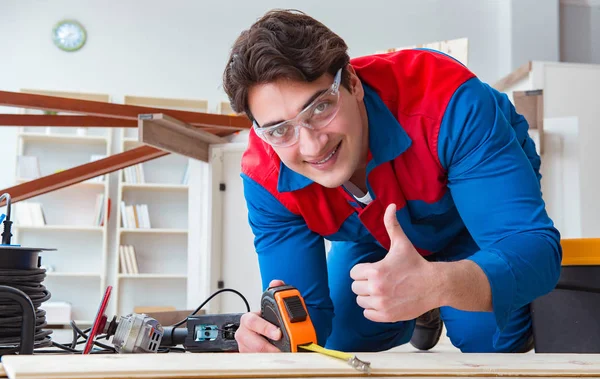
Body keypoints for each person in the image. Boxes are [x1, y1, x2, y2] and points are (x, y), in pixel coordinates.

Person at [222, 9, 562, 354]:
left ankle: (430, 294)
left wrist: (440, 284)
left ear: (352, 83)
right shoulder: (265, 175)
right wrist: (273, 342)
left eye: (321, 107)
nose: (311, 145)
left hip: (470, 220)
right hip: (374, 236)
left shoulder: (448, 101)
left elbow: (534, 254)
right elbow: (304, 321)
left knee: (490, 340)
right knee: (344, 336)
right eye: (280, 130)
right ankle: (422, 309)